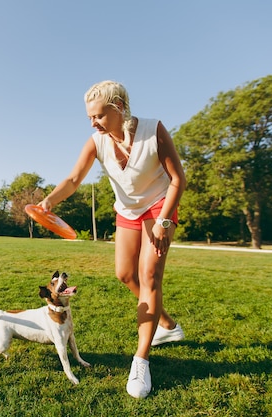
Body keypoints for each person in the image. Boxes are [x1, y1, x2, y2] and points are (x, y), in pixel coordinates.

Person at [38, 80, 186, 398]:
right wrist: (49, 202)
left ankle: (141, 361)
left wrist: (163, 221)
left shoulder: (153, 130)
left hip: (160, 205)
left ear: (118, 108)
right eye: (90, 117)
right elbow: (74, 178)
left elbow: (178, 179)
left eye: (99, 115)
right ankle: (169, 326)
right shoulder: (97, 142)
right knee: (124, 274)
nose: (93, 122)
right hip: (128, 211)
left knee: (149, 277)